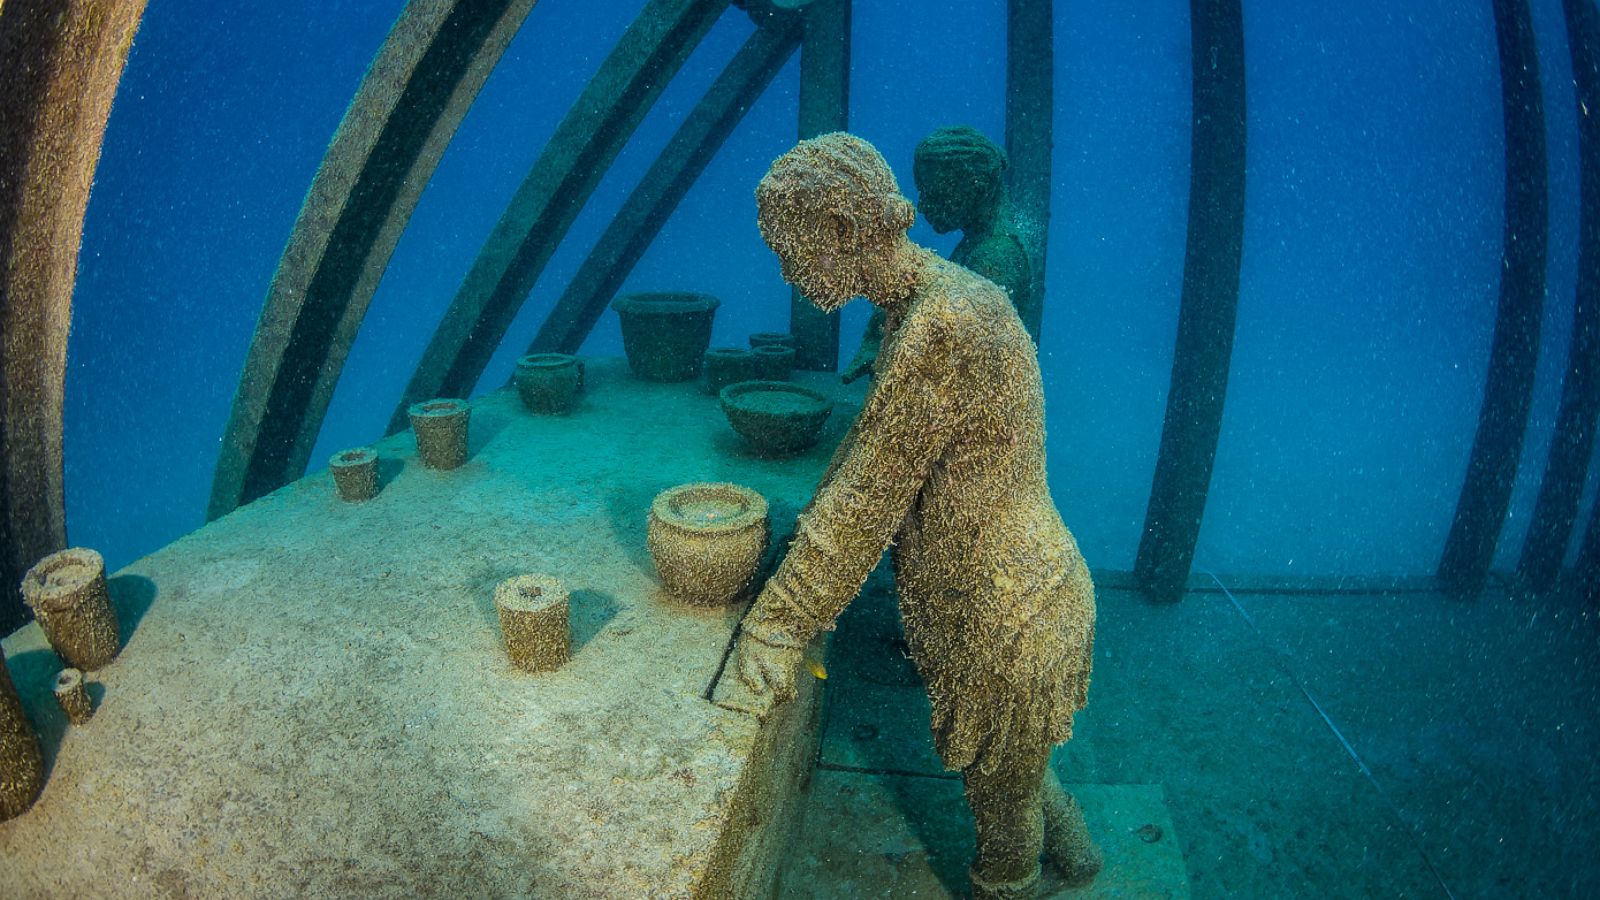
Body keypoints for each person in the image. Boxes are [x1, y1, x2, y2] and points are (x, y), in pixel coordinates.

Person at [732, 132, 1101, 899]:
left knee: (1001, 825)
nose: (785, 271)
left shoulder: (943, 325)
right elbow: (874, 449)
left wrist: (776, 623)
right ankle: (1083, 860)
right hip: (1021, 596)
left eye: (788, 248)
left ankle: (1018, 883)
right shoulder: (936, 300)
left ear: (839, 231)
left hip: (1006, 615)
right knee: (1017, 772)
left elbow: (870, 499)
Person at [841, 125, 1035, 384]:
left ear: (979, 187)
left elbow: (952, 349)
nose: (923, 205)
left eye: (936, 193)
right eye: (923, 191)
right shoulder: (977, 244)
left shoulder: (995, 257)